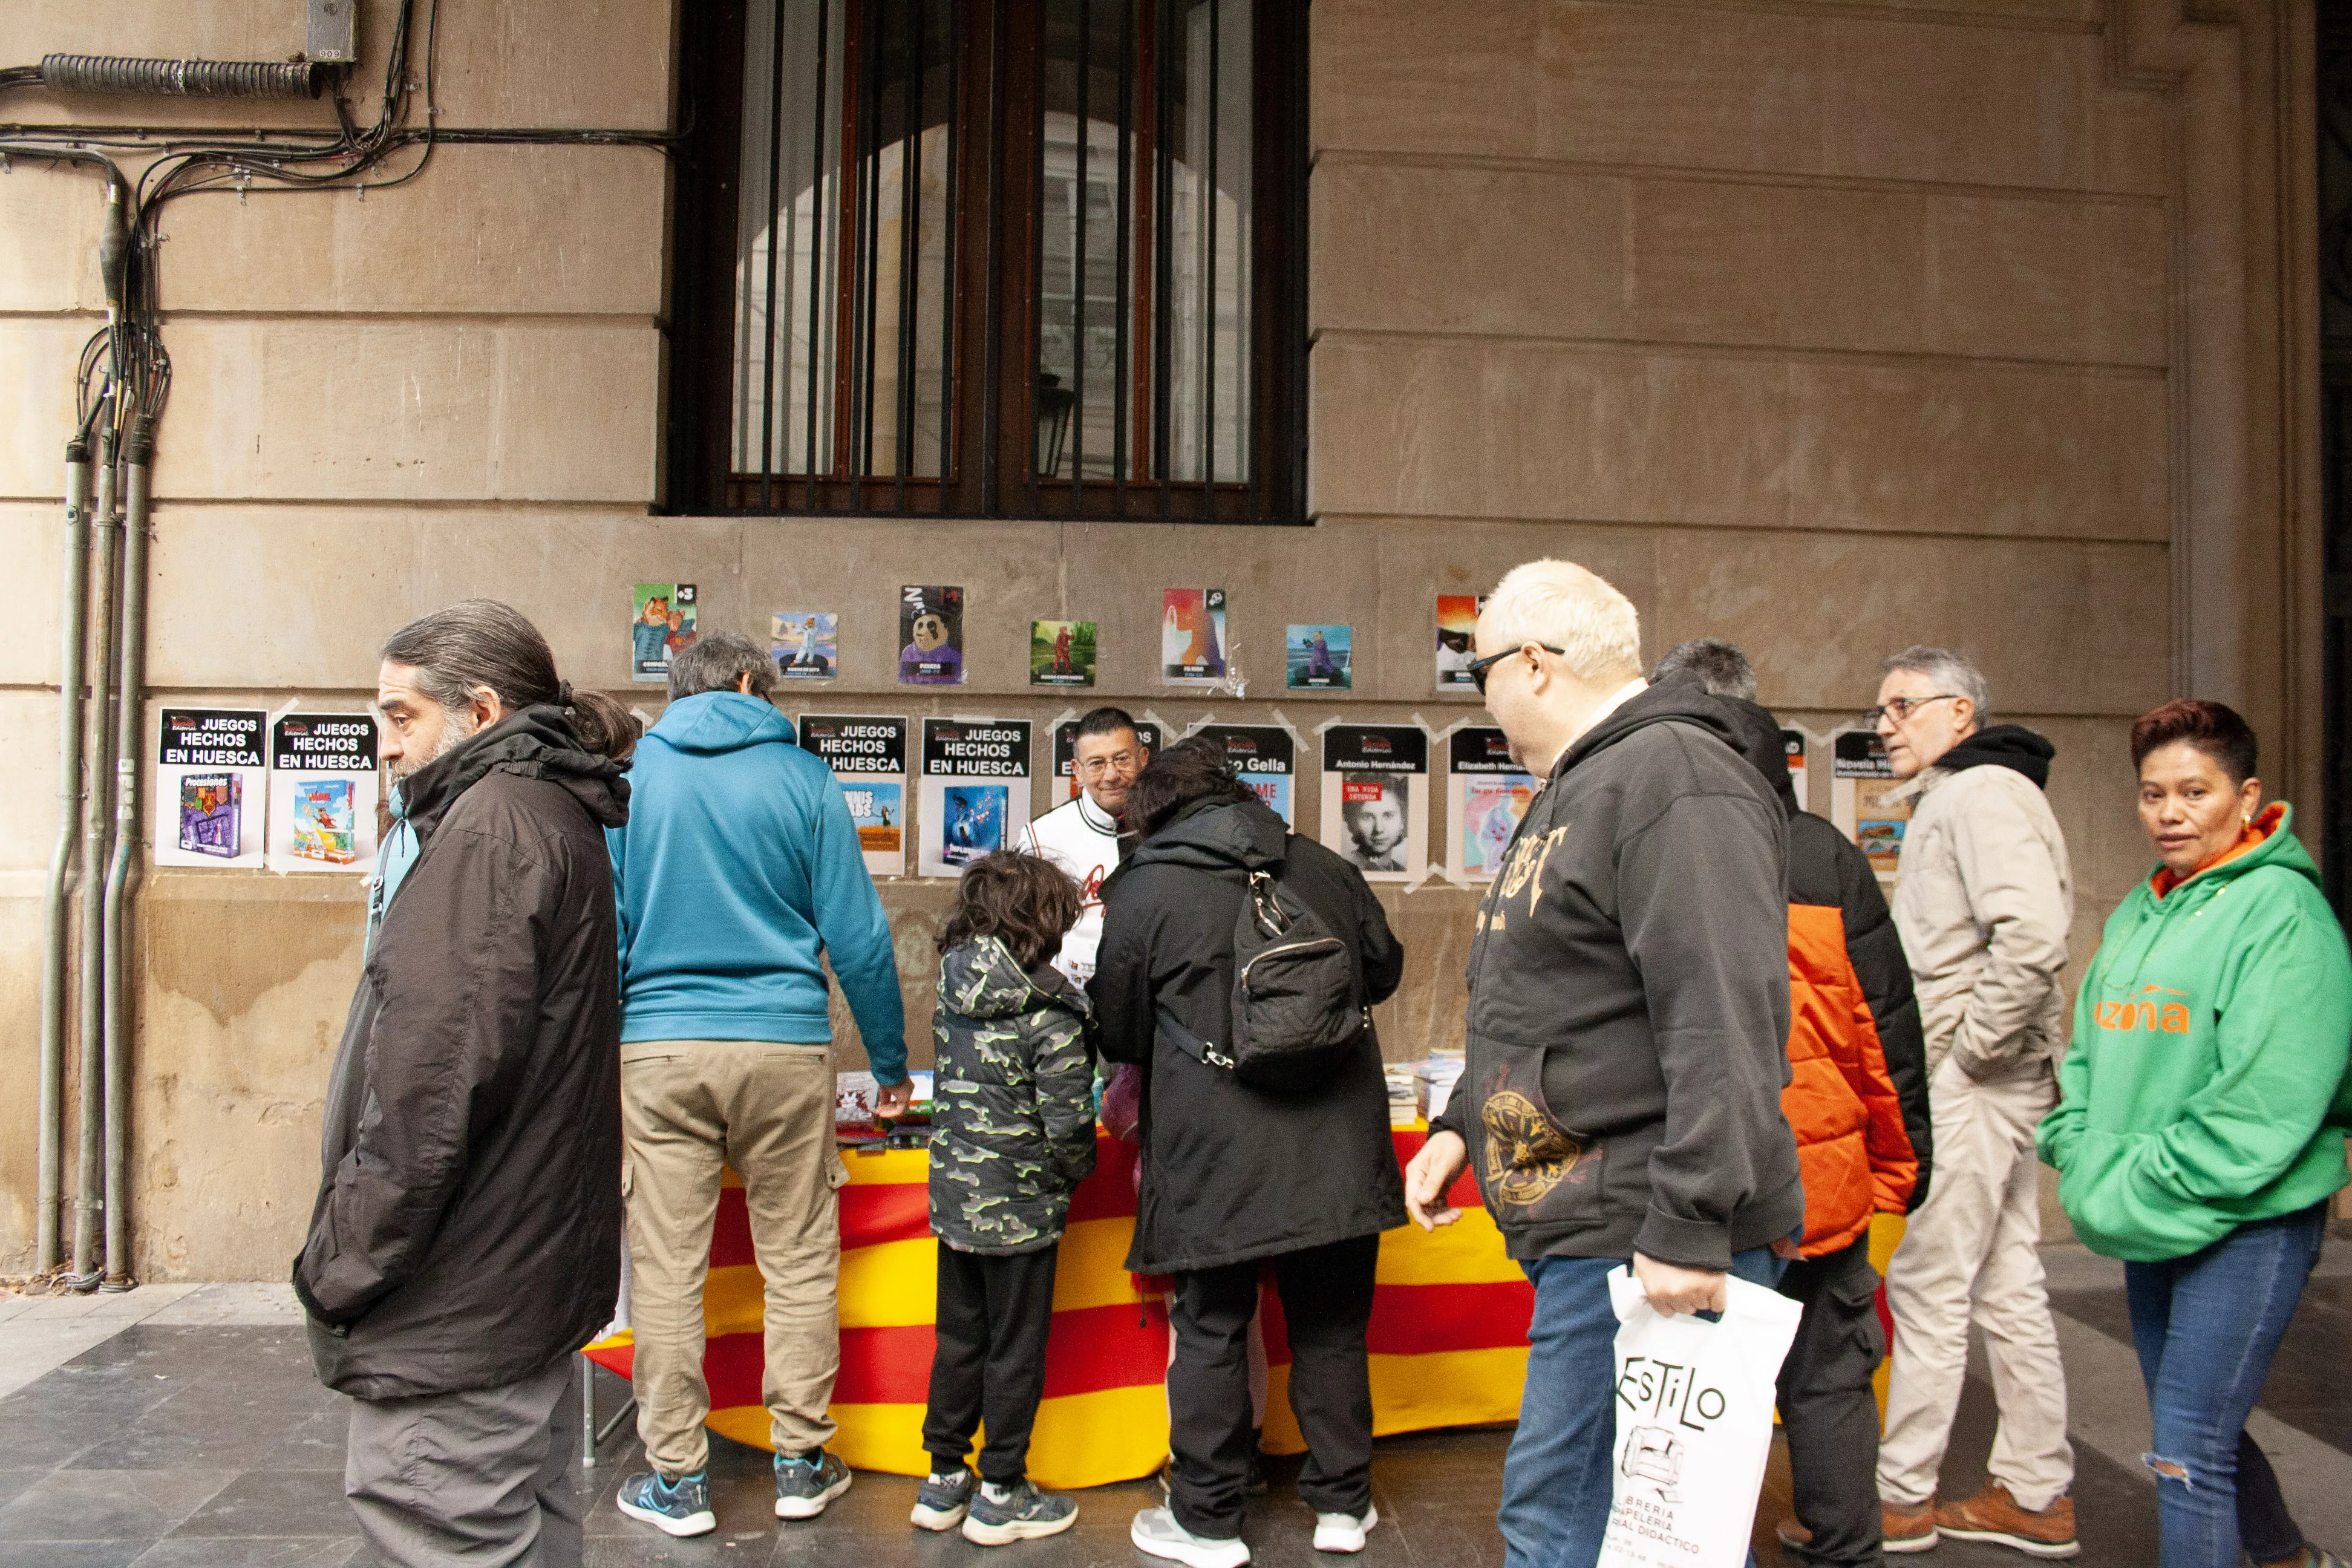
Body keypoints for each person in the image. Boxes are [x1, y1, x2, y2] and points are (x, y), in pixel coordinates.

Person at [1403, 561, 1803, 1568]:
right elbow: (1548, 992)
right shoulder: (1587, 782)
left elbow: (1722, 1015)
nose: (1480, 696)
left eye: (1481, 669)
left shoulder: (1670, 775)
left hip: (1637, 1228)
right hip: (1597, 1220)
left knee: (1567, 1526)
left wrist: (1688, 1221)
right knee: (1633, 1534)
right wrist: (1460, 1121)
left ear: (1533, 665)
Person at [293, 599, 638, 1567]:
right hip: (506, 1282)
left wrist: (344, 1262)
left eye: (403, 718)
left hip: (459, 1297)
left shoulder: (493, 828)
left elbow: (431, 1088)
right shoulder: (533, 813)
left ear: (480, 713)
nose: (387, 747)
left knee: (445, 1525)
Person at [605, 632, 909, 1538]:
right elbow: (858, 938)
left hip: (657, 1045)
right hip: (784, 1044)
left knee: (666, 1271)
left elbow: (609, 932)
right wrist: (889, 1068)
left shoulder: (631, 784)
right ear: (746, 683)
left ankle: (677, 1477)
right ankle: (803, 1460)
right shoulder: (805, 779)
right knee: (800, 1259)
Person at [2039, 701, 2352, 1568]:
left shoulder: (2285, 915)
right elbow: (2091, 1047)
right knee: (2199, 1418)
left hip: (2248, 1221)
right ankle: (2286, 1556)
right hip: (2152, 1208)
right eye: (2151, 794)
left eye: (2193, 791)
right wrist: (2078, 1140)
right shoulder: (2146, 908)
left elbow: (2267, 1102)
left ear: (2247, 797)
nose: (2169, 812)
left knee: (2184, 1447)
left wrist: (2134, 1176)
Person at [1653, 637, 1935, 1568]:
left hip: (1709, 1177)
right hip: (1827, 1177)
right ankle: (1845, 1544)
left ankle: (1698, 1547)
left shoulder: (1658, 839)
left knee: (1697, 1388)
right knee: (1831, 1380)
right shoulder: (1826, 854)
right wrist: (1904, 1163)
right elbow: (1888, 1028)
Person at [1093, 737, 1406, 1568]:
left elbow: (1118, 1028)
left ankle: (1208, 1520)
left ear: (1155, 811)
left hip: (1212, 1147)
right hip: (1338, 1137)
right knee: (1333, 1325)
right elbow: (1382, 970)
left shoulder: (1146, 885)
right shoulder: (1324, 866)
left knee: (1212, 1327)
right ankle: (1343, 1508)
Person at [1867, 645, 2077, 1558]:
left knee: (1929, 1281)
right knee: (2004, 1282)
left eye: (1902, 706)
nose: (1884, 724)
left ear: (1961, 713)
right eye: (1881, 709)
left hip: (1977, 1080)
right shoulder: (1972, 794)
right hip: (1990, 1075)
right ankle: (2035, 1492)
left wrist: (1967, 1053)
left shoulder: (1981, 794)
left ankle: (1901, 1497)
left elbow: (2030, 936)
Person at [911, 851, 1100, 1546]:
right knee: (1015, 1349)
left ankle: (942, 1480)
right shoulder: (1050, 1009)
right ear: (1044, 921)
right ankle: (1001, 1491)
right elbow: (1069, 1122)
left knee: (958, 1341)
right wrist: (1073, 1173)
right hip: (1022, 1213)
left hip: (956, 1205)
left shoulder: (951, 985)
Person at [1019, 706, 1151, 984]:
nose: (1111, 775)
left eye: (1122, 759)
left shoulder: (1172, 828)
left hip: (1150, 1002)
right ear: (1077, 771)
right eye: (1097, 763)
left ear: (1143, 758)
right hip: (1073, 1009)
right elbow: (1022, 938)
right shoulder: (1042, 837)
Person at [1337, 774, 1408, 872]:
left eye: (1388, 815)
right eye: (1368, 817)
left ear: (1402, 822)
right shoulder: (1345, 869)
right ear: (1354, 822)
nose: (1379, 829)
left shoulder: (1401, 871)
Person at [903, 605, 963, 683]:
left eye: (931, 627)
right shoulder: (908, 653)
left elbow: (961, 681)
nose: (923, 632)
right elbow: (902, 678)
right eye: (920, 626)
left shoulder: (953, 656)